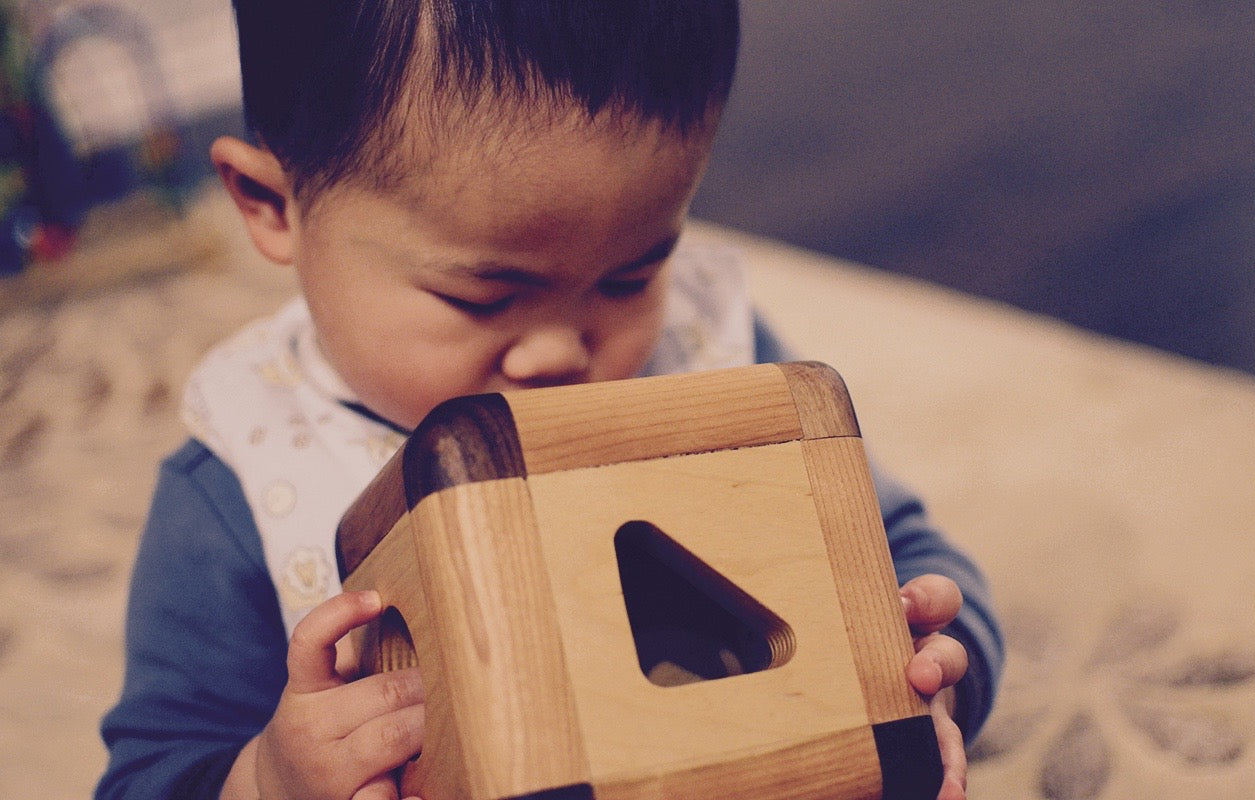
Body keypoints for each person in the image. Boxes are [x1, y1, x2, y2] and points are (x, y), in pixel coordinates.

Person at [96, 2, 1002, 799]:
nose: (561, 351)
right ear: (271, 206)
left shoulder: (716, 368)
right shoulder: (238, 480)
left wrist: (927, 678)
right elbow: (151, 771)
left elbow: (914, 558)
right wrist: (269, 781)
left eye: (631, 274)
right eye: (483, 298)